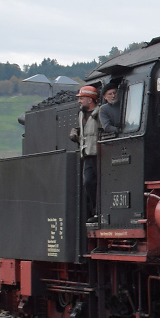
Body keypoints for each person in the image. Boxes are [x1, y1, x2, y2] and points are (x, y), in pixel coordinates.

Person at [70, 85, 101, 222]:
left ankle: (98, 211)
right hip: (87, 153)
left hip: (98, 153)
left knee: (97, 182)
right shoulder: (81, 114)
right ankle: (95, 210)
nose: (79, 101)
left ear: (90, 99)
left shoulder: (100, 112)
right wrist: (75, 131)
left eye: (81, 98)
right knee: (88, 182)